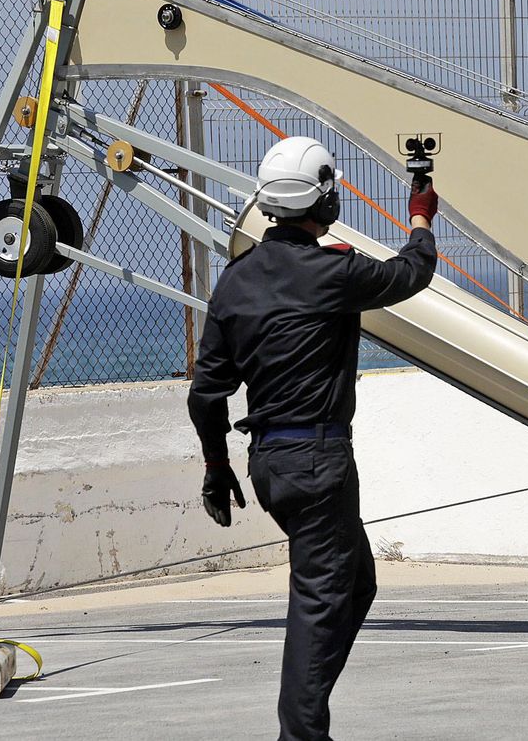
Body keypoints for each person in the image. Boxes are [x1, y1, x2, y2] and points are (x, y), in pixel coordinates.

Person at [188, 136, 438, 741]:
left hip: (269, 465)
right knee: (321, 602)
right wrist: (420, 214)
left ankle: (307, 712)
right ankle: (301, 733)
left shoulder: (234, 281)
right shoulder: (333, 271)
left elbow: (205, 394)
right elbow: (413, 271)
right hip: (320, 462)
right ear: (323, 199)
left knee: (355, 583)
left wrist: (217, 468)